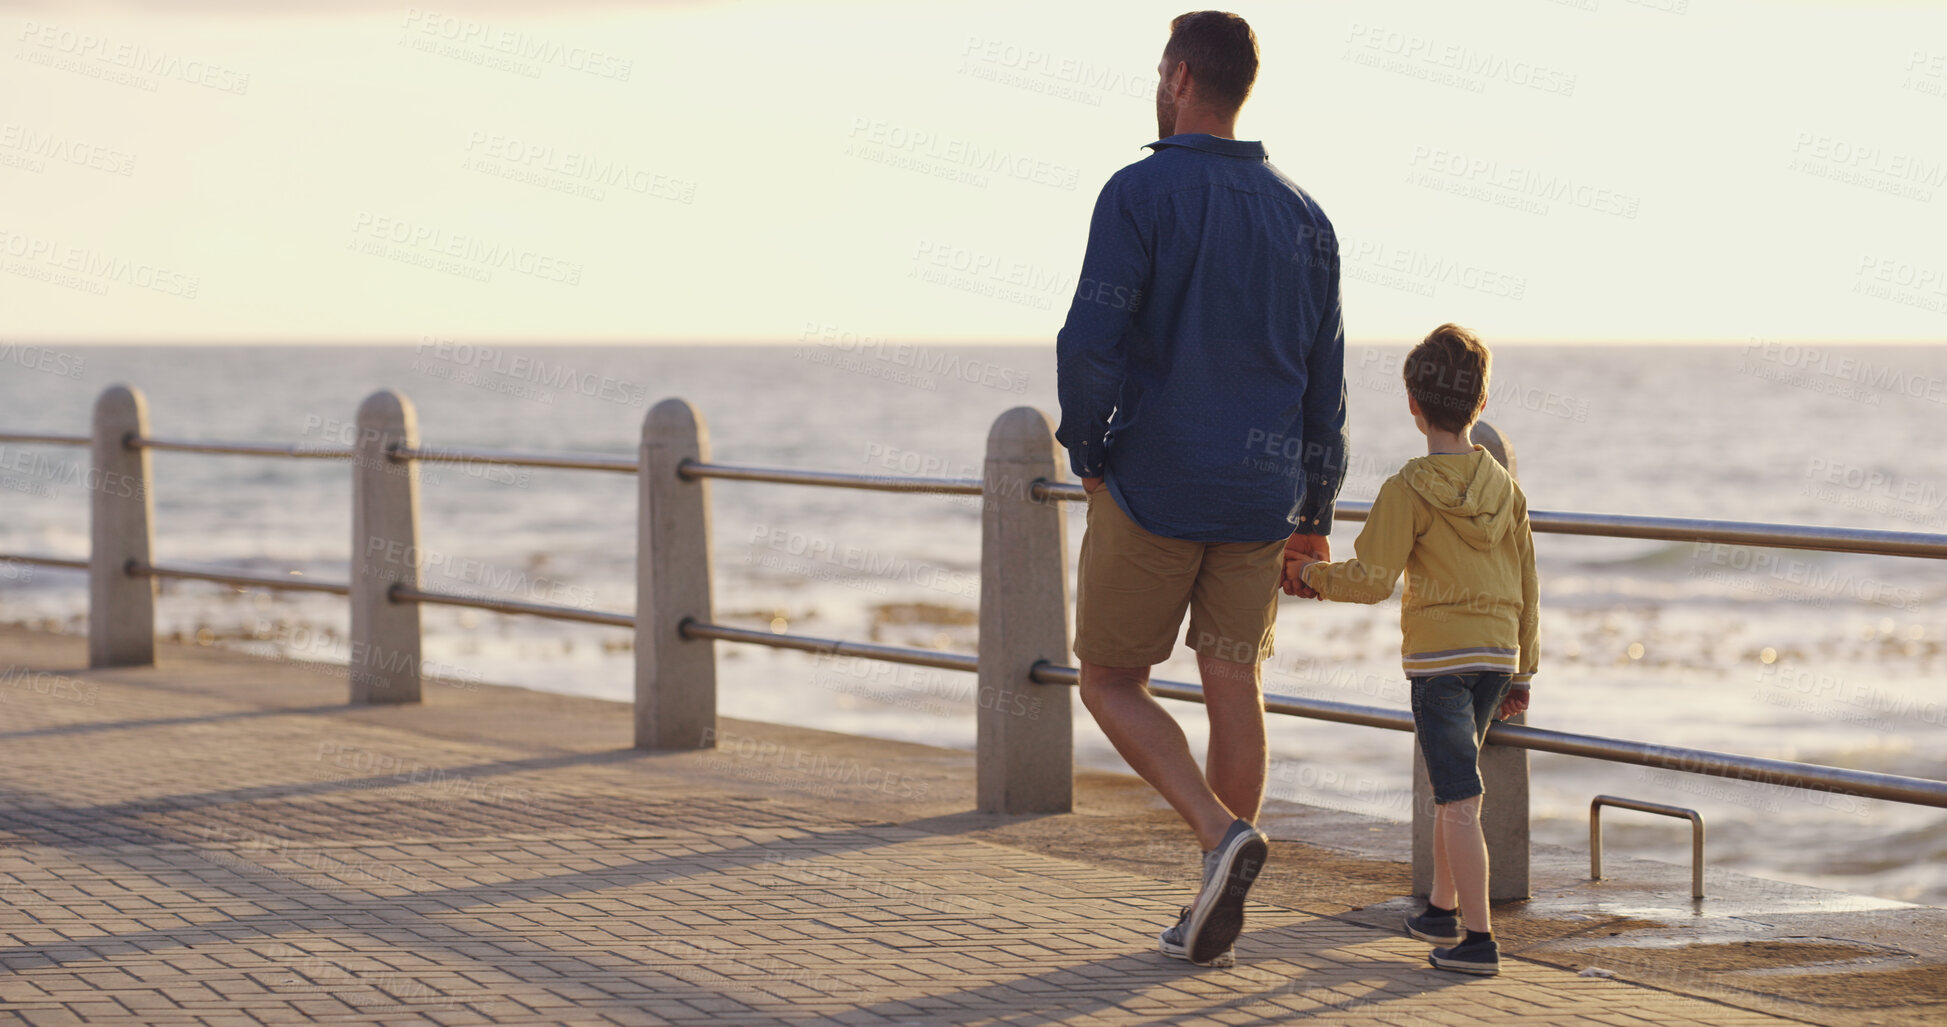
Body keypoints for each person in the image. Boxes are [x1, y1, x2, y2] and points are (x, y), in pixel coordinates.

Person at [1054, 10, 1348, 968]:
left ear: (1180, 77)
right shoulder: (1306, 216)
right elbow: (1324, 379)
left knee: (1106, 676)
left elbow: (1088, 340)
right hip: (1262, 497)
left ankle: (1220, 839)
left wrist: (1085, 446)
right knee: (1234, 682)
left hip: (1156, 481)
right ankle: (1215, 897)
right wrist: (1314, 513)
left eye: (1158, 68)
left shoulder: (1137, 191)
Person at [1286, 324, 1539, 976]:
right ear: (1479, 404)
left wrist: (1310, 576)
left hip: (1441, 665)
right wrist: (1524, 668)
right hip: (1494, 655)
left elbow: (1371, 580)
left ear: (1412, 405)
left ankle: (1478, 940)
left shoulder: (1407, 487)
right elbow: (1527, 582)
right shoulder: (1505, 490)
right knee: (1448, 780)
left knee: (1458, 797)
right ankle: (1437, 905)